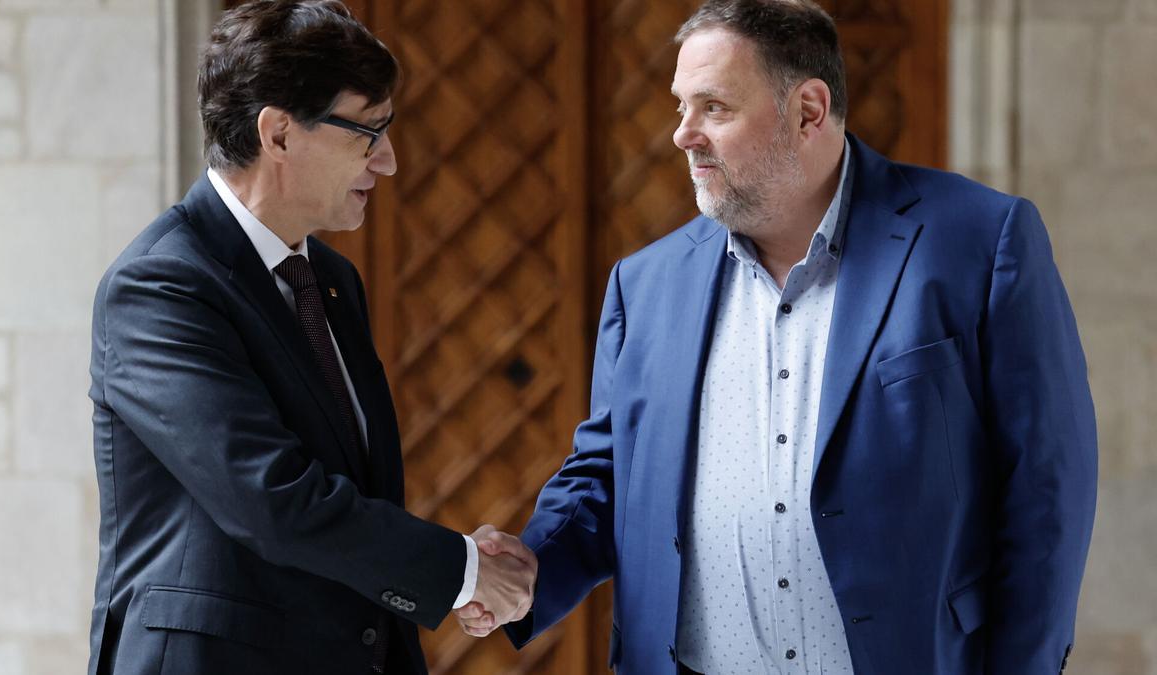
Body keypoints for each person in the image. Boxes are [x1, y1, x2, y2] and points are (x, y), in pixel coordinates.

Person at [457, 0, 1097, 673]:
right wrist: (528, 570)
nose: (682, 133)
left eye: (715, 108)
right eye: (681, 106)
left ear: (809, 111)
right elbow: (609, 476)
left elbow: (1046, 492)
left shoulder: (978, 242)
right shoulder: (643, 286)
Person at [86, 2, 534, 673]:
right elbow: (273, 499)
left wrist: (447, 580)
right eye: (367, 132)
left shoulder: (329, 278)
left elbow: (357, 492)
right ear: (279, 133)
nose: (387, 161)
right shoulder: (159, 287)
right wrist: (461, 570)